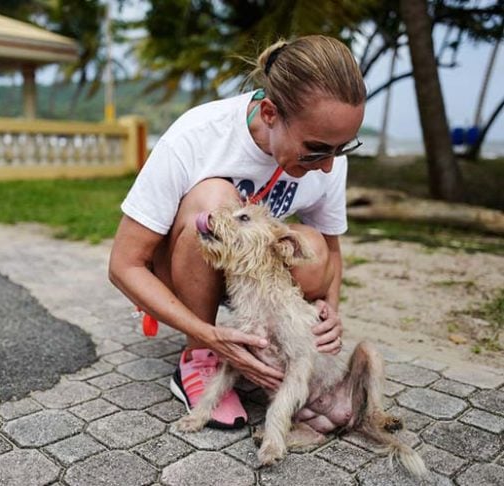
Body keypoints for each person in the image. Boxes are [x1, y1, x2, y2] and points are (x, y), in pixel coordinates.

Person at [109, 35, 366, 429]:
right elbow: (125, 265)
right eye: (316, 150)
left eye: (341, 149)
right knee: (216, 205)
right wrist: (208, 335)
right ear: (268, 113)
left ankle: (268, 349)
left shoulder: (326, 150)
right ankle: (198, 359)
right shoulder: (197, 135)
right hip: (184, 267)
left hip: (247, 278)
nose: (329, 166)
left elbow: (330, 250)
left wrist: (329, 312)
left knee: (309, 248)